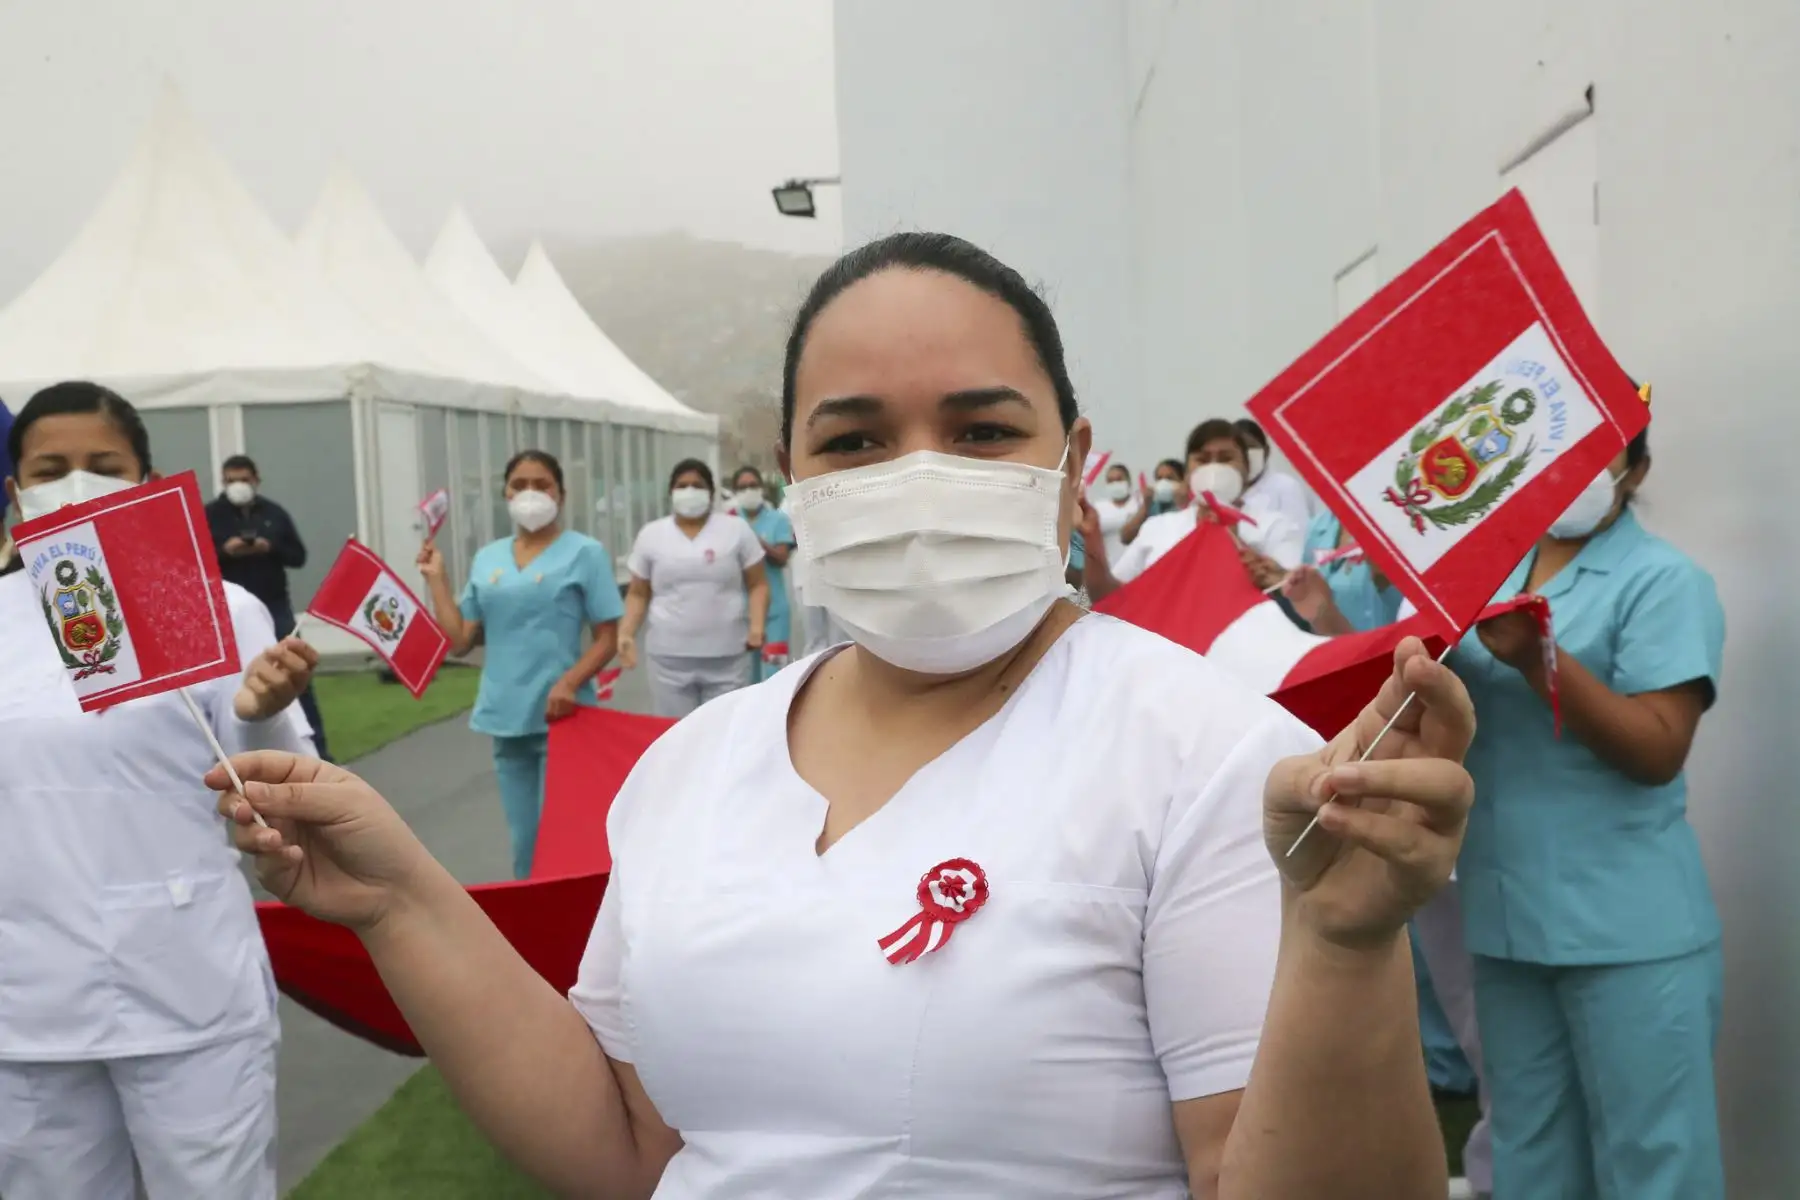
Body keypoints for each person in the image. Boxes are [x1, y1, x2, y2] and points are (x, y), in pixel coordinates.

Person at [219, 231, 1477, 1200]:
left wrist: (1346, 951)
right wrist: (400, 901)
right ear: (795, 474)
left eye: (982, 430)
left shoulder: (1207, 756)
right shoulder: (695, 764)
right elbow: (625, 1139)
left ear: (1068, 459)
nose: (920, 477)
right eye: (857, 441)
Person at [1, 381, 317, 1200]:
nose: (76, 482)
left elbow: (277, 782)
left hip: (186, 987)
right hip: (27, 1002)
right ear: (15, 490)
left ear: (147, 482)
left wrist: (261, 712)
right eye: (51, 467)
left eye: (103, 465)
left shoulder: (214, 608)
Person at [1454, 428, 1725, 1200]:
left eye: (1598, 454)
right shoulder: (1484, 573)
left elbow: (1658, 751)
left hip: (1628, 931)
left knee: (1655, 1166)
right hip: (1508, 921)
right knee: (1529, 1157)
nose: (1569, 472)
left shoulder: (1664, 580)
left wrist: (1539, 661)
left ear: (1635, 470)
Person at [1282, 507, 1488, 1193]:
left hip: (1485, 834)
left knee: (1494, 1036)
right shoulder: (1397, 578)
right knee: (1446, 1002)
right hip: (1411, 821)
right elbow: (1390, 673)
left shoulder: (1480, 563)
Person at [419, 449, 623, 881]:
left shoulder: (584, 553)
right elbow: (459, 640)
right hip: (506, 716)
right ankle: (536, 938)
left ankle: (584, 930)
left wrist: (570, 682)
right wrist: (436, 579)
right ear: (505, 494)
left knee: (569, 838)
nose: (531, 494)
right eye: (520, 486)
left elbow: (608, 637)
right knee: (525, 843)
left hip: (565, 717)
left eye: (541, 485)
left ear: (561, 494)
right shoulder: (488, 559)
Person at [1081, 419, 1305, 602]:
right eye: (1202, 459)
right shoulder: (1158, 527)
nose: (1214, 468)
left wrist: (1235, 545)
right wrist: (1092, 542)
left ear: (1246, 470)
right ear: (1188, 472)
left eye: (1226, 459)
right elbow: (1111, 596)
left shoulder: (1274, 526)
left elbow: (1293, 597)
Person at [619, 459, 770, 718]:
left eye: (697, 485)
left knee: (723, 734)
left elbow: (757, 584)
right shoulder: (652, 535)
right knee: (676, 736)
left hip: (727, 656)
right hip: (669, 658)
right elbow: (638, 592)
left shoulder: (735, 530)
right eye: (682, 486)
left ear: (711, 493)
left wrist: (756, 627)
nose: (689, 491)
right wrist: (626, 633)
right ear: (671, 492)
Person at [205, 454, 328, 759]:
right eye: (232, 480)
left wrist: (269, 547)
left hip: (274, 607)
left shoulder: (274, 514)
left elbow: (298, 555)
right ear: (223, 481)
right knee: (229, 684)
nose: (238, 486)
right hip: (225, 614)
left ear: (256, 479)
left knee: (294, 675)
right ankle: (231, 753)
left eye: (244, 479)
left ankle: (318, 754)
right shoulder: (209, 516)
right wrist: (226, 551)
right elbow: (192, 559)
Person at [729, 465, 797, 681]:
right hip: (741, 613)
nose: (748, 490)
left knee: (775, 674)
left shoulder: (777, 520)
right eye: (742, 487)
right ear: (735, 492)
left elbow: (782, 558)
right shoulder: (729, 522)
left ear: (761, 488)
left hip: (775, 612)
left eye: (752, 485)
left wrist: (756, 543)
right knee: (747, 678)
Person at [1235, 417, 1316, 531]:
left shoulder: (1286, 486)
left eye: (1251, 447)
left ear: (1266, 451)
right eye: (1239, 449)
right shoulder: (1225, 491)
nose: (1245, 455)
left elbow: (1299, 535)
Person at [1090, 460, 1138, 563]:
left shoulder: (1138, 503)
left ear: (1128, 481)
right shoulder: (1099, 507)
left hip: (1137, 567)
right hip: (1110, 566)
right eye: (1110, 481)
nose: (1115, 484)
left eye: (1119, 479)